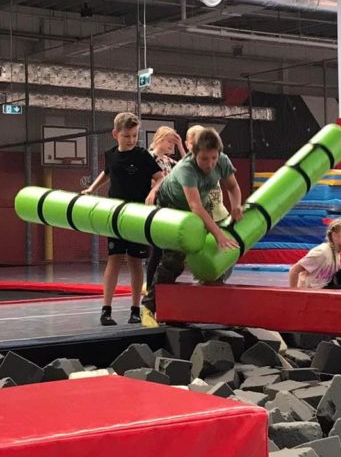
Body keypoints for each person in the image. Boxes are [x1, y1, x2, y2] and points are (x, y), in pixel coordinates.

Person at [141, 127, 244, 327]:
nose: (210, 164)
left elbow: (232, 187)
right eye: (204, 159)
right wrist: (218, 235)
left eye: (213, 158)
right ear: (194, 154)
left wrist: (236, 206)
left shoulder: (222, 161)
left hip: (199, 205)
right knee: (174, 259)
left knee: (210, 249)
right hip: (172, 205)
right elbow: (195, 206)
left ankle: (203, 303)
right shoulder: (186, 169)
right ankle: (148, 307)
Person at [80, 112, 163, 326]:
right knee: (114, 258)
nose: (131, 140)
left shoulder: (143, 156)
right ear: (115, 134)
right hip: (115, 215)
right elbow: (107, 172)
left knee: (135, 261)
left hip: (136, 216)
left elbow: (160, 177)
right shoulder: (111, 155)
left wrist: (153, 192)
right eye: (127, 136)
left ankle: (135, 309)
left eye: (135, 135)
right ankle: (106, 310)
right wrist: (91, 188)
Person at [144, 126, 185, 291]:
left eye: (173, 143)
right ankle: (150, 286)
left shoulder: (169, 161)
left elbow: (188, 165)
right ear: (160, 139)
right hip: (155, 205)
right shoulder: (148, 157)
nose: (171, 146)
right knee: (157, 249)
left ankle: (159, 285)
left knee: (164, 250)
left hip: (169, 207)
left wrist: (181, 145)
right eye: (169, 141)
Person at [289, 218, 341, 290]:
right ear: (335, 236)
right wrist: (294, 293)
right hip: (313, 291)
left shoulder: (336, 253)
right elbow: (294, 270)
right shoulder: (321, 252)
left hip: (326, 286)